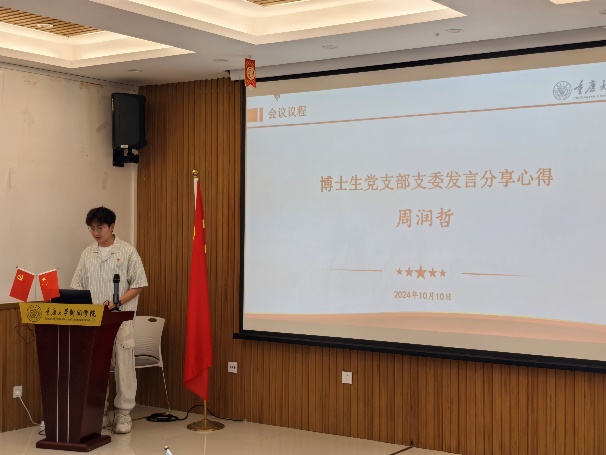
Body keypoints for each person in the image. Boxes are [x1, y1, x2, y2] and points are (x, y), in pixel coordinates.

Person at [71, 206, 148, 434]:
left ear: (112, 227)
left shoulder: (128, 251)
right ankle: (100, 411)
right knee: (96, 368)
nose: (96, 233)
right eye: (92, 228)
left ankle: (124, 413)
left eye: (100, 228)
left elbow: (138, 284)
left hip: (120, 319)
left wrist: (117, 303)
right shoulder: (87, 254)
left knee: (124, 367)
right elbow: (77, 285)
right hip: (94, 322)